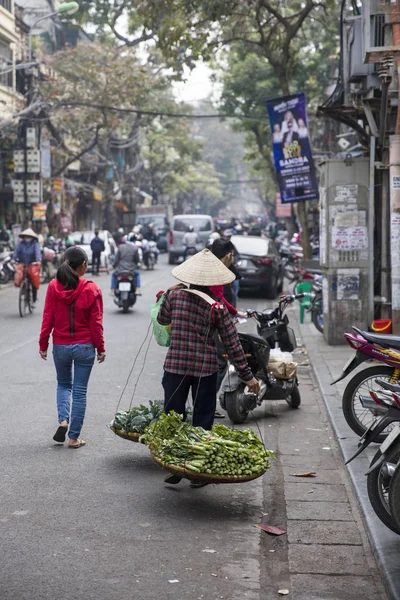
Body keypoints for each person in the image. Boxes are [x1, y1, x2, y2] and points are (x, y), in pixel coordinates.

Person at [157, 249, 260, 486]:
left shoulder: (175, 297)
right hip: (204, 369)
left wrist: (167, 294)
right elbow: (232, 343)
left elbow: (163, 319)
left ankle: (174, 462)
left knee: (174, 416)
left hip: (175, 367)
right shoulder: (216, 307)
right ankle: (196, 472)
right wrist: (248, 377)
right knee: (201, 421)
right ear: (212, 282)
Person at [39, 246, 106, 448]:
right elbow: (96, 323)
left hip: (60, 345)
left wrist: (43, 343)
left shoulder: (53, 286)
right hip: (85, 347)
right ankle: (74, 438)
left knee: (63, 385)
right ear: (83, 265)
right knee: (79, 391)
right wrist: (101, 347)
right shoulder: (92, 288)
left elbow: (47, 318)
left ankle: (63, 421)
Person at [12, 228, 41, 307]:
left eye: (29, 236)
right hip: (23, 264)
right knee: (20, 275)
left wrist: (38, 260)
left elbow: (37, 253)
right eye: (26, 236)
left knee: (33, 280)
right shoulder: (21, 244)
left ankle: (34, 299)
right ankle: (23, 288)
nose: (27, 238)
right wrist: (13, 259)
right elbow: (16, 252)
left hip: (32, 264)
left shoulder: (35, 244)